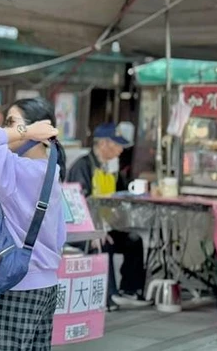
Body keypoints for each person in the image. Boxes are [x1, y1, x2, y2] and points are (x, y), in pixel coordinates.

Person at [0, 97, 66, 351]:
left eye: (13, 123)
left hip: (13, 284)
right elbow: (60, 234)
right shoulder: (52, 171)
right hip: (46, 285)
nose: (9, 130)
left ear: (37, 130)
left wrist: (28, 131)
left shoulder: (14, 170)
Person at [66, 123, 148, 308]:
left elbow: (120, 195)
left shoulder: (110, 168)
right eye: (117, 145)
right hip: (83, 230)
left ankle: (130, 290)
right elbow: (79, 204)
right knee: (103, 245)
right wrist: (93, 231)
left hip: (106, 227)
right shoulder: (83, 166)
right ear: (103, 144)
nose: (121, 150)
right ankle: (108, 297)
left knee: (134, 240)